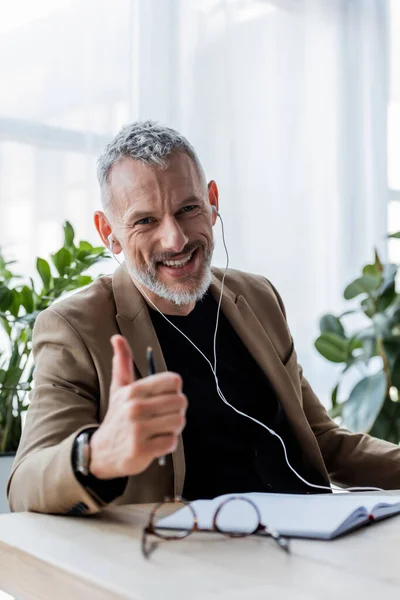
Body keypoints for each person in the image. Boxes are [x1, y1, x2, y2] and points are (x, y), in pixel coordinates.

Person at [7, 121, 400, 516]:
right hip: (195, 560)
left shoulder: (258, 297)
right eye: (145, 221)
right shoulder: (75, 326)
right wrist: (96, 455)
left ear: (212, 202)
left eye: (188, 209)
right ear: (109, 232)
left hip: (316, 537)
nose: (175, 240)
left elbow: (321, 439)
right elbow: (24, 487)